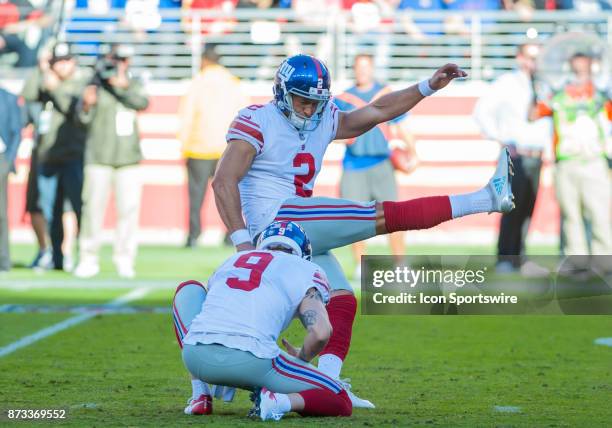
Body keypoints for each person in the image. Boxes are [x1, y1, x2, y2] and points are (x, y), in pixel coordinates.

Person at [213, 54, 514, 407]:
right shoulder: (257, 120)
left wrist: (427, 87)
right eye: (302, 100)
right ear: (281, 92)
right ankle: (484, 199)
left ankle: (327, 382)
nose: (310, 110)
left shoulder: (323, 116)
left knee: (342, 301)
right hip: (275, 221)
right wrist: (243, 243)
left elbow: (377, 112)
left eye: (317, 102)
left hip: (301, 227)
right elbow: (223, 181)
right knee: (379, 215)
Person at [173, 221, 352, 420]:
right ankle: (277, 402)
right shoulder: (307, 269)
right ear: (303, 252)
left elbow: (215, 311)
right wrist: (302, 357)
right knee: (340, 398)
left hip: (196, 357)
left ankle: (200, 394)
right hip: (253, 361)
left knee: (188, 289)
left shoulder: (233, 259)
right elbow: (321, 332)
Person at [473, 43, 552, 274]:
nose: (532, 63)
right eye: (529, 57)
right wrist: (501, 139)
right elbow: (481, 112)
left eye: (536, 59)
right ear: (520, 58)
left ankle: (521, 257)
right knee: (512, 209)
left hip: (536, 156)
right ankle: (505, 259)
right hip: (516, 155)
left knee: (528, 209)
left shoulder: (544, 85)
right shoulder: (507, 83)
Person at [334, 53, 414, 278]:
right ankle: (362, 266)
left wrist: (413, 152)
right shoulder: (344, 98)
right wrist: (343, 137)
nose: (362, 71)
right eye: (359, 67)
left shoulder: (387, 94)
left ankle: (400, 264)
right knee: (354, 219)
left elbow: (403, 126)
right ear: (354, 70)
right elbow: (331, 131)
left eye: (366, 67)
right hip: (353, 165)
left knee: (393, 217)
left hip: (382, 163)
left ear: (372, 69)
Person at [73, 45, 149, 279]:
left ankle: (124, 258)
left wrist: (122, 87)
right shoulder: (93, 84)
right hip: (99, 156)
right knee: (92, 209)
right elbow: (81, 120)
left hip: (128, 158)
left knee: (128, 210)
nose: (120, 64)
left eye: (124, 59)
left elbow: (143, 102)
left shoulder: (133, 83)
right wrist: (86, 104)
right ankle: (88, 257)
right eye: (116, 59)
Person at [533, 52, 611, 257]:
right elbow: (533, 114)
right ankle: (577, 263)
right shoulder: (558, 96)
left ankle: (604, 261)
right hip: (566, 162)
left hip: (594, 161)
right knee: (571, 217)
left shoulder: (600, 96)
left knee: (600, 214)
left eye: (584, 61)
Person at [21, 42, 88, 270]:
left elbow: (72, 108)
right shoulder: (44, 81)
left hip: (72, 156)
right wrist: (41, 69)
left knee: (75, 208)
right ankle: (54, 255)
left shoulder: (79, 83)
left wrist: (55, 87)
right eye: (56, 62)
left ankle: (79, 255)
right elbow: (28, 94)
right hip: (46, 157)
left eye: (65, 61)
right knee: (49, 210)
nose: (61, 66)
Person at [177, 43, 248, 248]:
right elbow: (244, 114)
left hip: (199, 147)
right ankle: (231, 234)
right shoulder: (233, 82)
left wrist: (183, 143)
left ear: (204, 60)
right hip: (227, 149)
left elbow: (187, 115)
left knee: (196, 196)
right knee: (230, 194)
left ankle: (193, 235)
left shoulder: (197, 82)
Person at [0, 86, 23, 273]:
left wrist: (8, 159)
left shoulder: (8, 98)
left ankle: (3, 259)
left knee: (0, 213)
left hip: (1, 158)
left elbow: (16, 130)